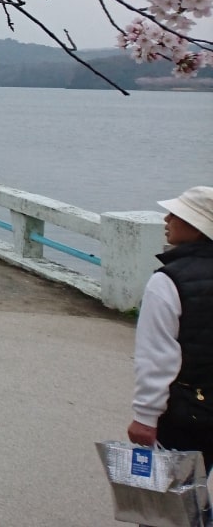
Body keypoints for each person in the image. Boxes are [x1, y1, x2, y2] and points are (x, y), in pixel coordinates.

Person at [130, 187, 213, 455]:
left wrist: (145, 415)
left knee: (177, 492)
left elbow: (156, 356)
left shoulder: (167, 281)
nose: (166, 220)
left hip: (188, 412)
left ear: (197, 228)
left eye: (175, 214)